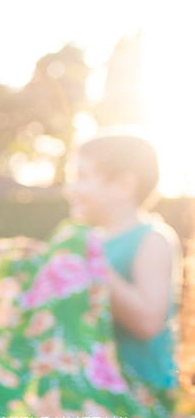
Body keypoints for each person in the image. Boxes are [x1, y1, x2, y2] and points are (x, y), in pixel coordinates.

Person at [63, 128, 183, 389]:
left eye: (81, 177)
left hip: (141, 393)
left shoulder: (153, 238)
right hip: (94, 391)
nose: (69, 189)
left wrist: (94, 263)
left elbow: (148, 322)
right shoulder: (87, 241)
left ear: (123, 186)